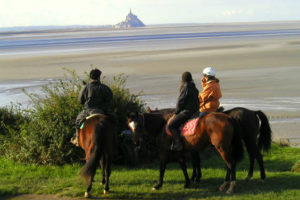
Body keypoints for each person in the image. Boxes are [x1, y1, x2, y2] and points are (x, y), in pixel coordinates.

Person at [71, 68, 115, 146]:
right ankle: (116, 137)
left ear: (90, 77)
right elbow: (110, 99)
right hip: (103, 110)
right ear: (99, 77)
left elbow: (80, 100)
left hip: (88, 111)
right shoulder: (105, 87)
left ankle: (77, 139)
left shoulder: (85, 87)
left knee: (78, 121)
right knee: (114, 119)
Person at [168, 72, 199, 151]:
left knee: (171, 125)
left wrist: (176, 112)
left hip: (187, 112)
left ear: (183, 79)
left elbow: (180, 102)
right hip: (196, 112)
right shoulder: (195, 88)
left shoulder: (185, 88)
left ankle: (178, 144)